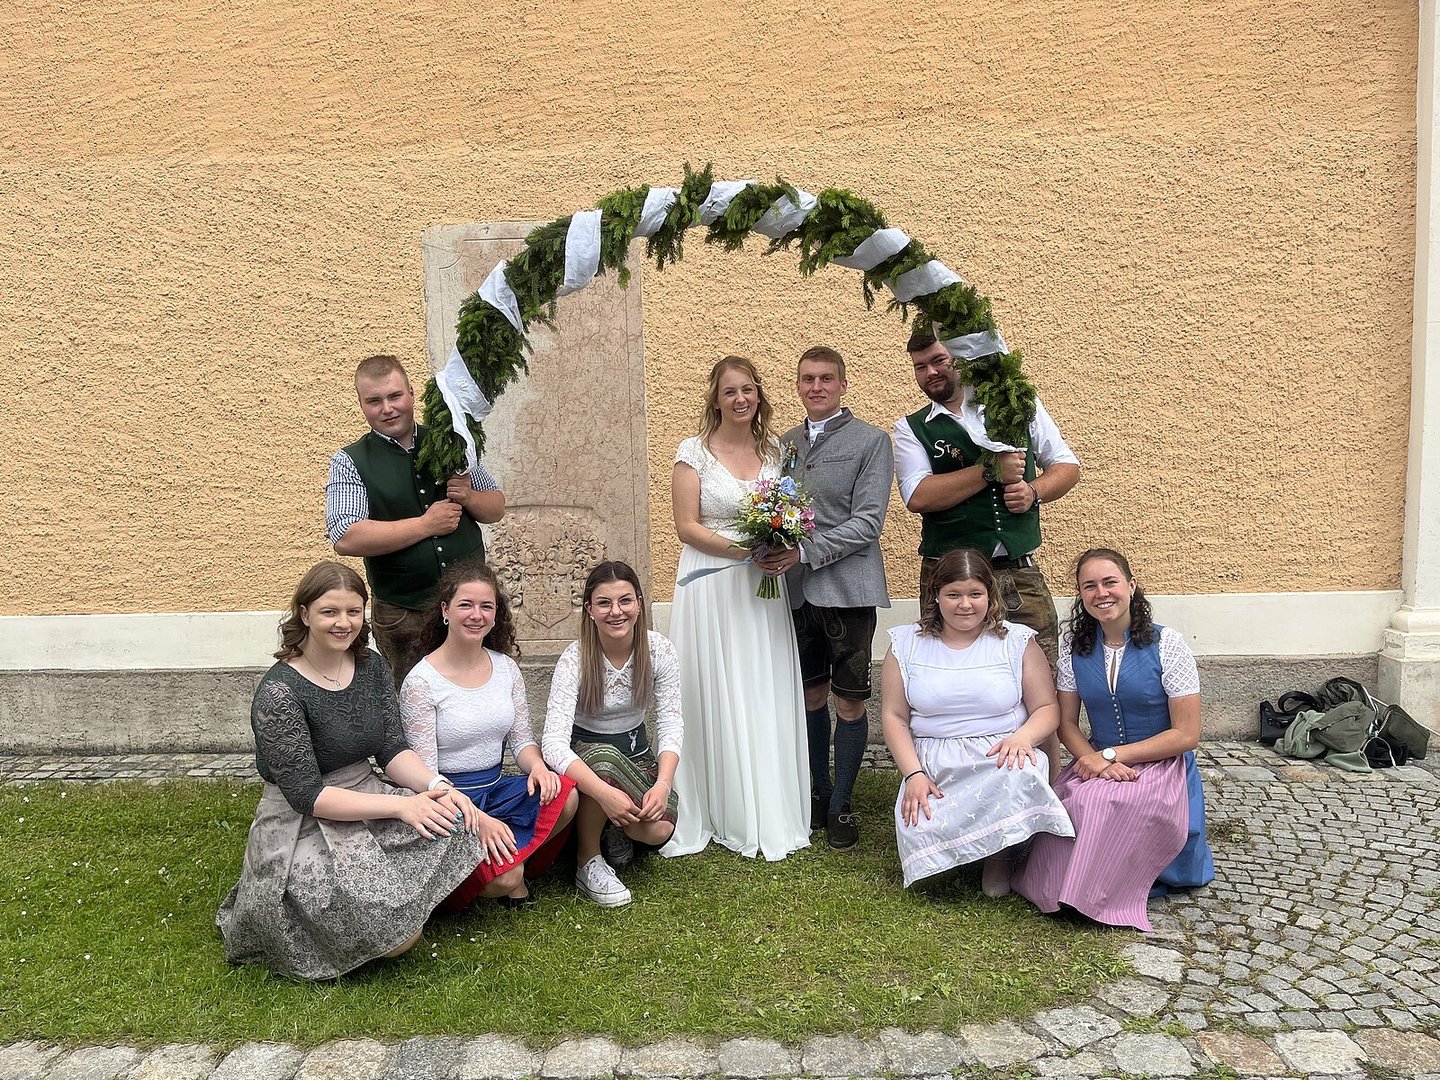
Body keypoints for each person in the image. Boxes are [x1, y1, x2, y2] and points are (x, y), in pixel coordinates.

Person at [216, 562, 484, 981]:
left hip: (367, 790)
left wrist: (436, 786)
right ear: (304, 614)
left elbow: (392, 748)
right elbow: (307, 795)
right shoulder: (279, 693)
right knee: (397, 939)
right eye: (330, 612)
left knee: (455, 823)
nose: (344, 623)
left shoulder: (371, 666)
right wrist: (401, 807)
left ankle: (397, 904)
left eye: (354, 611)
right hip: (301, 820)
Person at [1012, 548, 1215, 930]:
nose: (1101, 593)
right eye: (1089, 586)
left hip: (1159, 763)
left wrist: (1111, 755)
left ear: (1131, 586)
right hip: (1096, 758)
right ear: (1080, 594)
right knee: (1072, 799)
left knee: (1103, 803)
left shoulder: (1168, 644)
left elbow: (1186, 735)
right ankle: (1064, 889)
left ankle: (1092, 893)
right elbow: (1066, 722)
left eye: (1110, 582)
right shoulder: (1076, 647)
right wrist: (1092, 759)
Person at [664, 357, 811, 862]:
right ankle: (714, 801)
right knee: (714, 681)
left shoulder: (775, 452)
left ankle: (764, 799)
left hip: (761, 587)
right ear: (716, 399)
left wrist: (779, 544)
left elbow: (788, 513)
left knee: (759, 679)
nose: (740, 399)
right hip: (711, 584)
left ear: (758, 395)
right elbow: (686, 526)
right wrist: (745, 550)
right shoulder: (693, 452)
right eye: (730, 392)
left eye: (748, 389)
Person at [880, 548, 1073, 896]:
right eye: (953, 594)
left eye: (975, 594)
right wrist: (914, 774)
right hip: (935, 760)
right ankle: (959, 852)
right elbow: (894, 717)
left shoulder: (1016, 641)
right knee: (924, 829)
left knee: (1020, 772)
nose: (965, 604)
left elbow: (1047, 707)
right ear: (936, 596)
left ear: (990, 595)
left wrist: (1023, 738)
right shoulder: (905, 644)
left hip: (999, 753)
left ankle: (999, 858)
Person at [766, 345, 892, 850]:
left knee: (850, 702)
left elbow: (868, 523)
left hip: (849, 591)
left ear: (842, 384)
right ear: (798, 385)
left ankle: (842, 802)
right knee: (810, 696)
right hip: (797, 593)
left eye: (825, 378)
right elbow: (776, 509)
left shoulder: (871, 441)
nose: (816, 387)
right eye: (807, 379)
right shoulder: (786, 444)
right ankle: (817, 792)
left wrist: (804, 552)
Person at [893, 328, 1080, 665]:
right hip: (947, 577)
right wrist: (990, 469)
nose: (930, 372)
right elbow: (917, 495)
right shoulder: (911, 427)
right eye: (920, 366)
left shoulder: (1016, 405)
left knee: (1042, 671)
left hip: (1018, 573)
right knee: (950, 672)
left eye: (939, 360)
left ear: (959, 358)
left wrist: (1033, 491)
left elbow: (1067, 466)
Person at [400, 562, 578, 910]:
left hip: (496, 789)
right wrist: (479, 821)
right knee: (505, 880)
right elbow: (426, 778)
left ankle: (511, 856)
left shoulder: (506, 668)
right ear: (445, 610)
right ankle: (507, 870)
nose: (476, 615)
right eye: (466, 605)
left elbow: (522, 741)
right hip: (448, 801)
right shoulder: (421, 682)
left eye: (486, 606)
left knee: (565, 795)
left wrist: (537, 768)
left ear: (496, 615)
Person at [326, 354, 506, 687]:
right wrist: (426, 525)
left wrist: (469, 497)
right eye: (374, 401)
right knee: (413, 699)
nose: (387, 408)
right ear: (361, 404)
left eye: (395, 396)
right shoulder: (350, 461)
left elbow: (496, 508)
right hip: (403, 614)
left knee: (480, 689)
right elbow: (346, 536)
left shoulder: (451, 440)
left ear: (411, 394)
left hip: (471, 608)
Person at [543, 561, 682, 906]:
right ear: (589, 609)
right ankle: (587, 860)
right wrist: (604, 793)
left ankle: (611, 828)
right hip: (586, 758)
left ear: (639, 603)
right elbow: (553, 743)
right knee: (603, 762)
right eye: (604, 603)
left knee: (657, 830)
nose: (616, 611)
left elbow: (670, 722)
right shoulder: (575, 658)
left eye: (625, 600)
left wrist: (663, 785)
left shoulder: (659, 649)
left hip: (636, 757)